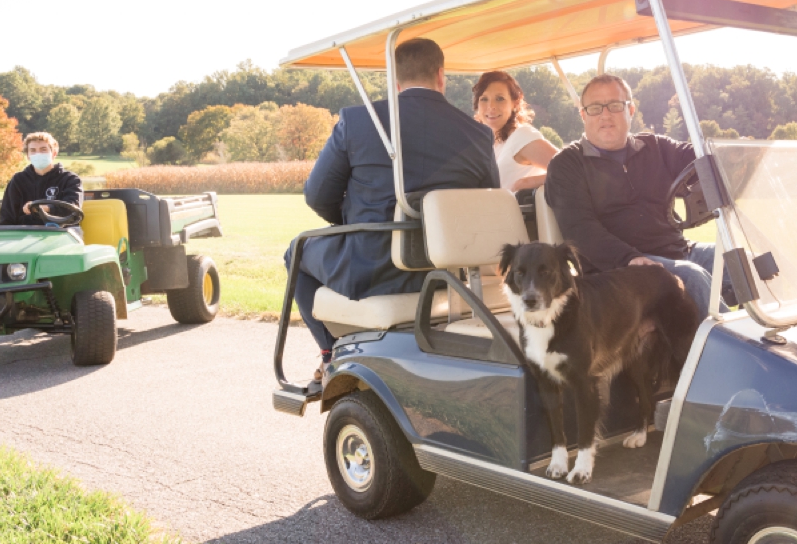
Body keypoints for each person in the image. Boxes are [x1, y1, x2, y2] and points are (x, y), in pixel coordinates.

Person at [290, 38, 500, 387]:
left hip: (369, 268)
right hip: (444, 273)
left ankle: (331, 356)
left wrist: (352, 226)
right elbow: (484, 207)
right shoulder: (477, 134)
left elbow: (317, 196)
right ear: (441, 76)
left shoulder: (356, 121)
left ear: (395, 80)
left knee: (296, 251)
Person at [544, 74, 727, 318]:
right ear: (583, 115)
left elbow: (699, 158)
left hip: (678, 250)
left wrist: (729, 155)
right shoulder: (567, 164)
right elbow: (581, 231)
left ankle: (774, 335)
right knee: (693, 277)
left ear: (630, 109)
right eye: (595, 108)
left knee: (740, 261)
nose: (605, 115)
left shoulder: (655, 146)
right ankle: (745, 349)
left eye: (615, 106)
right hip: (616, 269)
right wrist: (631, 258)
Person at [472, 70, 558, 191]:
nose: (491, 106)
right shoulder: (485, 145)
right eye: (484, 99)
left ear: (515, 103)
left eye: (500, 98)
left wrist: (527, 182)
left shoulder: (523, 136)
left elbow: (573, 170)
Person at [0, 132, 83, 225]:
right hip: (26, 234)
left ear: (54, 153)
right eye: (33, 150)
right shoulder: (18, 181)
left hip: (63, 232)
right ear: (28, 156)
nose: (38, 154)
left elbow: (73, 209)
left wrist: (44, 208)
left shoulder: (70, 179)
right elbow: (7, 216)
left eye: (43, 150)